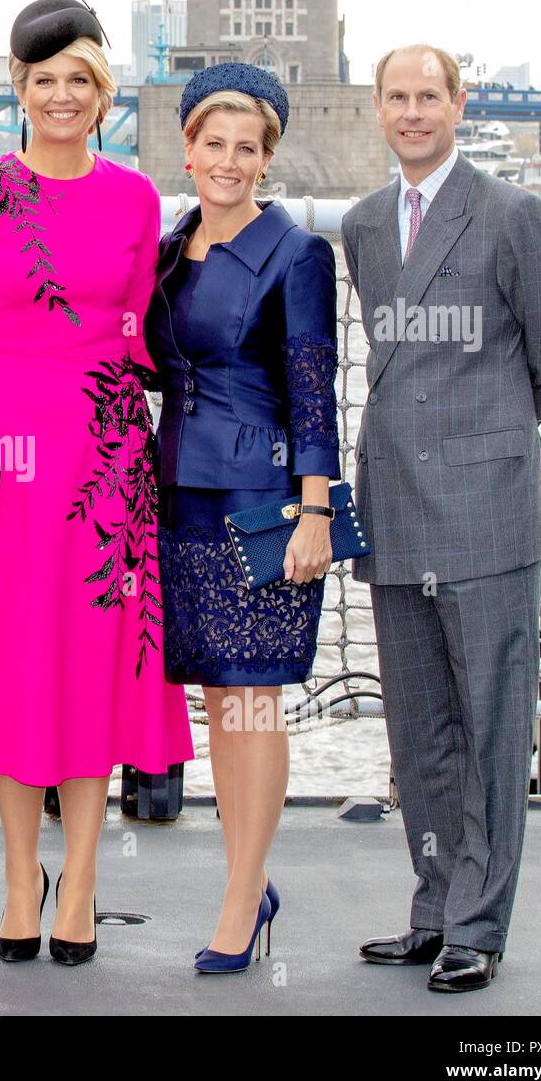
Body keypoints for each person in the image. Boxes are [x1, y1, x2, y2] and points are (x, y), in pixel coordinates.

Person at [0, 0, 194, 967]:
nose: (62, 96)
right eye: (44, 82)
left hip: (105, 457)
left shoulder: (133, 198)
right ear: (21, 93)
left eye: (79, 80)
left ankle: (79, 879)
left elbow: (140, 330)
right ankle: (16, 876)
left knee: (85, 666)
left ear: (102, 92)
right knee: (13, 666)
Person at [343, 44, 541, 992]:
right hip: (396, 507)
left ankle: (480, 924)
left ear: (457, 103)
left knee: (490, 728)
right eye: (397, 97)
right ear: (378, 108)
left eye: (429, 97)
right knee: (419, 729)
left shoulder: (514, 216)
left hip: (486, 512)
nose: (413, 113)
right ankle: (436, 904)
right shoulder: (364, 226)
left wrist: (483, 435)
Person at [144, 63, 340, 973]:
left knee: (255, 698)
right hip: (179, 496)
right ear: (187, 151)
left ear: (267, 159)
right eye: (212, 144)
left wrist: (314, 510)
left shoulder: (296, 254)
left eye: (247, 149)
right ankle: (244, 874)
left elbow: (313, 392)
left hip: (260, 506)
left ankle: (241, 893)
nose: (229, 161)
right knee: (221, 698)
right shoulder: (169, 246)